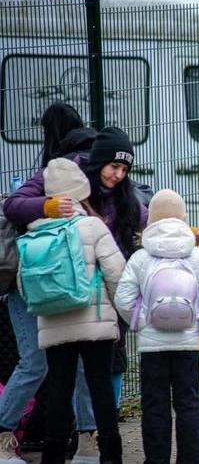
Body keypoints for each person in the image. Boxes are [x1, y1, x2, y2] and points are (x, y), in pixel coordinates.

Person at [0, 103, 102, 464]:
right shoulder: (54, 177)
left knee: (52, 362)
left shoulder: (69, 171)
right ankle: (85, 440)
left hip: (60, 285)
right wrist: (49, 206)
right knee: (47, 363)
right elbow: (15, 206)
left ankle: (86, 439)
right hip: (40, 284)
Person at [114, 189, 199, 464]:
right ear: (183, 219)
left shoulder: (141, 258)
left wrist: (143, 321)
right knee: (188, 401)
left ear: (150, 222)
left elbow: (123, 298)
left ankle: (156, 460)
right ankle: (190, 459)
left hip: (151, 345)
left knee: (154, 404)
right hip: (187, 342)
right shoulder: (195, 256)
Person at [26, 158, 126, 464]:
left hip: (54, 321)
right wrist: (124, 316)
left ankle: (52, 457)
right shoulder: (92, 226)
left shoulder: (35, 229)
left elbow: (24, 280)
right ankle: (110, 455)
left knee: (59, 389)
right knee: (100, 388)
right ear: (81, 191)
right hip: (94, 320)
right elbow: (116, 274)